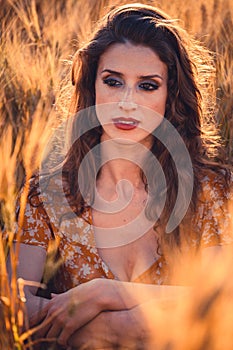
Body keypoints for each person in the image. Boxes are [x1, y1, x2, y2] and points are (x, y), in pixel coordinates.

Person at [8, 2, 233, 349]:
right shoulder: (47, 194)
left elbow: (222, 309)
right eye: (113, 81)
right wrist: (126, 326)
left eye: (147, 86)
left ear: (169, 96)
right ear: (92, 85)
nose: (127, 102)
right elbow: (14, 309)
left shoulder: (209, 193)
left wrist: (106, 294)